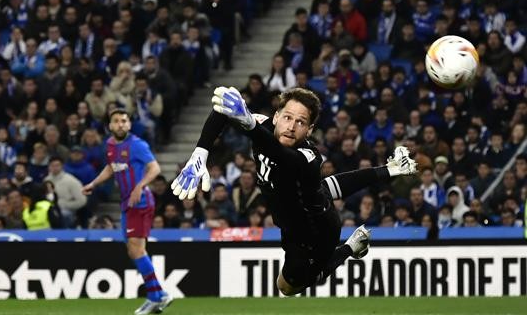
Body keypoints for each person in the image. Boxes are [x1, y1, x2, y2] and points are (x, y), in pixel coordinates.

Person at [172, 87, 418, 296]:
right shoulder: (262, 125)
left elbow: (280, 155)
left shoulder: (309, 157)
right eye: (287, 117)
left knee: (287, 287)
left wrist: (248, 125)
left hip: (316, 235)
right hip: (299, 211)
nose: (291, 127)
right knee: (320, 190)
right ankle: (390, 169)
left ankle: (349, 249)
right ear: (276, 116)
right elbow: (221, 110)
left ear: (309, 130)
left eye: (301, 122)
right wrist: (200, 154)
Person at [82, 109, 170, 315]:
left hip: (140, 202)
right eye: (116, 121)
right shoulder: (111, 145)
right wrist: (93, 183)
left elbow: (155, 168)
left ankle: (157, 296)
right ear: (110, 126)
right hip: (126, 203)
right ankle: (157, 294)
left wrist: (140, 186)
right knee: (134, 250)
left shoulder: (137, 145)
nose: (120, 124)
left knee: (136, 249)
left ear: (129, 125)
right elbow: (111, 167)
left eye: (124, 121)